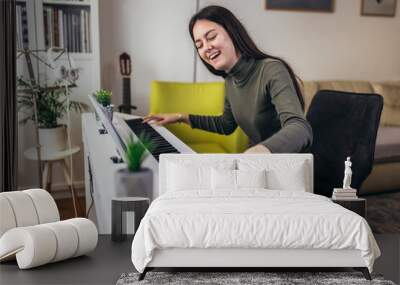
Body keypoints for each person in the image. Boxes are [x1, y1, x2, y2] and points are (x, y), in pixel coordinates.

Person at [143, 5, 312, 153]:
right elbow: (226, 125)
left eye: (211, 37)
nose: (206, 48)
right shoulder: (230, 80)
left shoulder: (271, 69)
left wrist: (259, 152)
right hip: (258, 164)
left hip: (288, 166)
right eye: (199, 45)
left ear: (232, 32)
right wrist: (179, 117)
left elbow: (300, 128)